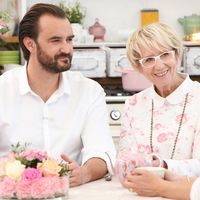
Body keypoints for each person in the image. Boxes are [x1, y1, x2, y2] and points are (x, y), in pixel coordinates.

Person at [0, 3, 116, 187]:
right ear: (30, 44)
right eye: (56, 40)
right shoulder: (3, 91)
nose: (67, 49)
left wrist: (84, 173)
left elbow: (102, 153)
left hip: (72, 193)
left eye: (69, 39)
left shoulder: (89, 91)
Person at [116, 22, 200, 198]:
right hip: (141, 195)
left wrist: (163, 166)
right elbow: (125, 161)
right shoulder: (133, 104)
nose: (159, 65)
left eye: (165, 55)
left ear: (177, 54)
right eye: (148, 59)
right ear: (139, 68)